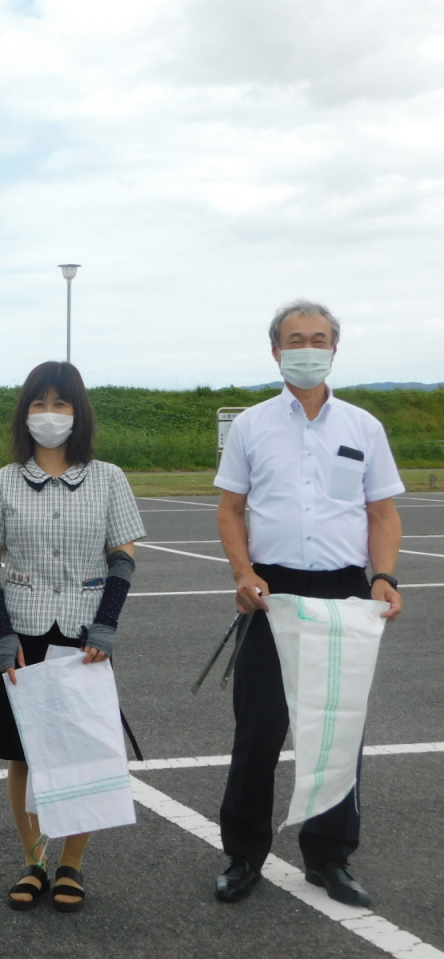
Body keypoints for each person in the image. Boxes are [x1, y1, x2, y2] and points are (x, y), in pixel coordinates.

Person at [213, 300, 403, 907]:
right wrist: (243, 573)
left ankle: (329, 857)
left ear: (334, 349)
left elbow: (382, 512)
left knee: (338, 729)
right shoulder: (251, 426)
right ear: (276, 350)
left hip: (345, 590)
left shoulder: (363, 428)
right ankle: (243, 855)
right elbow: (230, 509)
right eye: (295, 339)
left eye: (319, 338)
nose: (307, 347)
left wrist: (385, 576)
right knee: (259, 728)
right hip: (271, 592)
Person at [0, 360, 145, 914]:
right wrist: (2, 633)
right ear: (25, 412)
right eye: (39, 404)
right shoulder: (2, 481)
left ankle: (73, 863)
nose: (50, 415)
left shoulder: (109, 478)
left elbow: (123, 557)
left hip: (84, 635)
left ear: (79, 412)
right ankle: (36, 858)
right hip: (23, 635)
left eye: (61, 404)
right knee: (24, 754)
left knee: (82, 750)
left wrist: (108, 624)